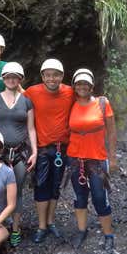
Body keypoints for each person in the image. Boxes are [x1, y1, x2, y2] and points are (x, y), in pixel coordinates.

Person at [0, 62, 37, 246]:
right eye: (8, 76)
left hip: (20, 152)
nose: (11, 79)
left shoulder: (27, 101)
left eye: (15, 77)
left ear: (20, 79)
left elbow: (31, 129)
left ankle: (15, 228)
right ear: (4, 79)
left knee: (17, 191)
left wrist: (35, 151)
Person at [66, 68, 118, 251]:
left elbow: (111, 132)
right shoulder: (70, 103)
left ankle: (108, 234)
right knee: (80, 197)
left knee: (99, 197)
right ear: (74, 86)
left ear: (91, 86)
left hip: (97, 158)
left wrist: (112, 158)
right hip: (75, 158)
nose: (82, 86)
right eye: (79, 83)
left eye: (85, 83)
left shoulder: (102, 103)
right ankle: (82, 231)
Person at [24, 58, 75, 243]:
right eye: (48, 75)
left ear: (61, 76)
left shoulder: (70, 92)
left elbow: (86, 98)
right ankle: (41, 225)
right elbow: (13, 97)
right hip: (43, 149)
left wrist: (100, 99)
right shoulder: (32, 92)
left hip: (63, 148)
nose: (51, 79)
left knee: (56, 186)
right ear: (42, 76)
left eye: (55, 75)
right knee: (41, 186)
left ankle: (51, 222)